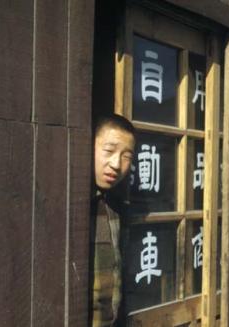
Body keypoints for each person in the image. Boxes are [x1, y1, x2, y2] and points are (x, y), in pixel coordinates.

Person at [90, 113, 136, 327]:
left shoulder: (116, 207)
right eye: (108, 151)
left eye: (126, 156)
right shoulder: (70, 206)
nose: (116, 164)